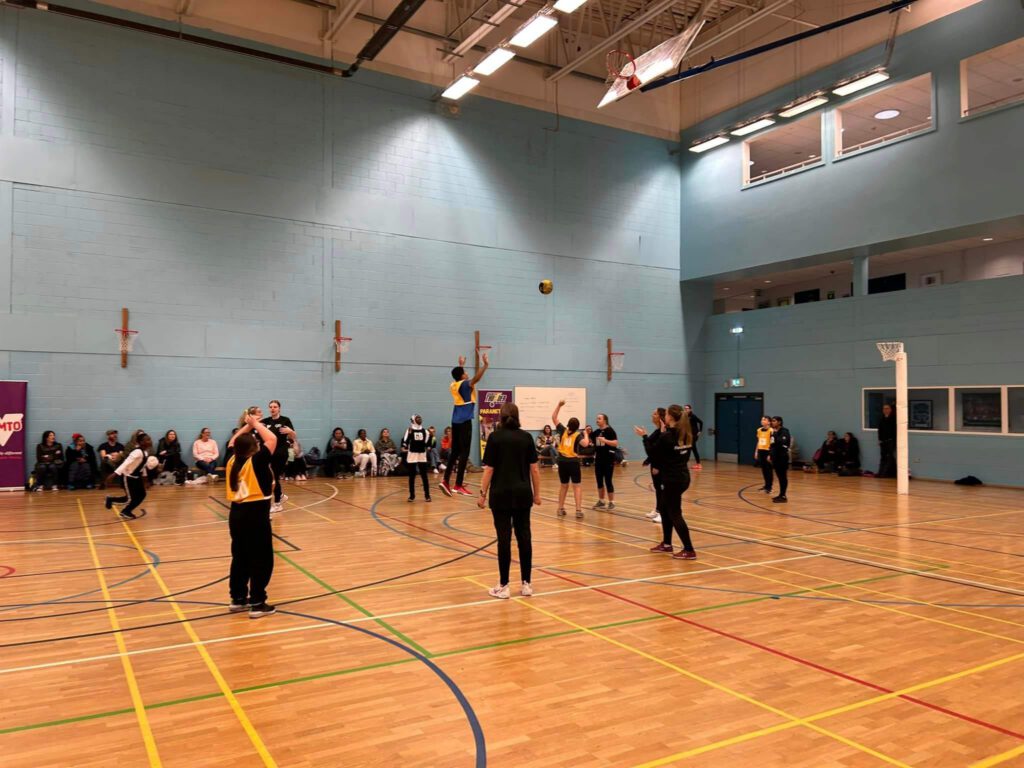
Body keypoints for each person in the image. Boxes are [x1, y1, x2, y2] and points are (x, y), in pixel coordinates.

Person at [478, 402, 541, 599]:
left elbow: (489, 469)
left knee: (504, 539)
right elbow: (535, 469)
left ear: (501, 417)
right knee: (525, 537)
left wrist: (482, 494)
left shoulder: (495, 438)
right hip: (523, 494)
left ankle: (504, 586)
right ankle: (526, 584)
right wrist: (537, 494)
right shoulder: (527, 437)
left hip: (501, 494)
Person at [225, 412, 278, 619]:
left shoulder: (231, 459)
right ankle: (257, 602)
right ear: (253, 449)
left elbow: (233, 441)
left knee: (240, 557)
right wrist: (255, 423)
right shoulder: (255, 461)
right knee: (261, 559)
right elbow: (272, 439)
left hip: (236, 515)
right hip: (255, 514)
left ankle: (238, 599)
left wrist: (247, 426)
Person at [635, 404, 696, 560]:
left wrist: (644, 436)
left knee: (675, 513)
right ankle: (667, 544)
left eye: (667, 414)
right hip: (682, 476)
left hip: (672, 479)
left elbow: (652, 452)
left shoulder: (667, 436)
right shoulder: (687, 434)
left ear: (670, 417)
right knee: (665, 508)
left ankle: (689, 549)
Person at [439, 352, 489, 498]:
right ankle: (458, 485)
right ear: (462, 376)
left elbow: (459, 378)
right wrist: (485, 365)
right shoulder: (465, 384)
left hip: (455, 421)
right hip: (465, 421)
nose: (467, 374)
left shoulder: (453, 385)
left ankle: (446, 480)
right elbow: (476, 379)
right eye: (465, 372)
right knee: (464, 452)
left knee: (455, 452)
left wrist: (460, 365)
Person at [551, 400, 590, 519]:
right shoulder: (577, 435)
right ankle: (578, 510)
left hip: (562, 461)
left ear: (568, 424)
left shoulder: (563, 430)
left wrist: (559, 405)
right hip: (573, 462)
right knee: (576, 486)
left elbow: (554, 417)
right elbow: (585, 444)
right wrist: (586, 434)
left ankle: (560, 508)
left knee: (563, 485)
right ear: (577, 427)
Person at [105, 432, 153, 519]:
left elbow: (142, 466)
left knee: (142, 495)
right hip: (128, 477)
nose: (150, 441)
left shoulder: (145, 453)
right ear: (141, 442)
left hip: (137, 478)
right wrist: (114, 474)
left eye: (150, 439)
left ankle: (124, 510)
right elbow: (126, 463)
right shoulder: (137, 452)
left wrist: (145, 480)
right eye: (148, 439)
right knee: (129, 499)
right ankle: (120, 507)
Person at [262, 400, 296, 514]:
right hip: (269, 452)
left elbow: (293, 436)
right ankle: (280, 495)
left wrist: (290, 431)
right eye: (271, 407)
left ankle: (277, 504)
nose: (272, 409)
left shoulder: (285, 420)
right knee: (269, 477)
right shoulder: (266, 421)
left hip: (280, 452)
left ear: (279, 408)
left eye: (275, 407)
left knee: (274, 477)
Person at [591, 413, 619, 510]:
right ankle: (601, 501)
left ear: (605, 420)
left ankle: (611, 502)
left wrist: (605, 440)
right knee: (599, 480)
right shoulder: (597, 431)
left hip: (608, 460)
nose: (597, 420)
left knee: (608, 480)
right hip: (598, 459)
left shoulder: (610, 430)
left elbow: (615, 443)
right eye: (597, 418)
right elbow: (590, 438)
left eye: (599, 418)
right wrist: (586, 432)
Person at [402, 415, 432, 502]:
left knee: (424, 476)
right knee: (412, 476)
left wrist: (427, 446)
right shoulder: (410, 430)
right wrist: (405, 446)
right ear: (413, 420)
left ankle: (427, 495)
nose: (419, 420)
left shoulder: (425, 431)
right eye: (417, 418)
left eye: (420, 418)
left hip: (422, 454)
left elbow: (427, 442)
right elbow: (405, 440)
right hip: (412, 454)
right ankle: (412, 495)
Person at [768, 416, 791, 503]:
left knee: (783, 476)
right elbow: (772, 445)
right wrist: (770, 455)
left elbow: (782, 442)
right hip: (775, 457)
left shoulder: (784, 431)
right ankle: (780, 494)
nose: (772, 423)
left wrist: (775, 435)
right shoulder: (773, 432)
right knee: (779, 476)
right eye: (772, 421)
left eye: (774, 421)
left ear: (779, 422)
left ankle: (784, 496)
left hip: (782, 457)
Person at [754, 416, 773, 493]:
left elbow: (772, 443)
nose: (762, 421)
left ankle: (769, 487)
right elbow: (758, 441)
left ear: (769, 422)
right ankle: (766, 485)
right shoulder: (759, 430)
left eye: (764, 420)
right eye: (762, 419)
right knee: (764, 469)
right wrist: (756, 451)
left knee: (769, 469)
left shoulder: (771, 431)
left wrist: (770, 454)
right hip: (761, 451)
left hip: (768, 451)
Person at [877, 403, 897, 478]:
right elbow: (879, 430)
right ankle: (880, 472)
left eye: (887, 408)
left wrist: (894, 440)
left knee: (889, 456)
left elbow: (894, 431)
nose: (885, 410)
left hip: (891, 440)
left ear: (890, 410)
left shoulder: (894, 418)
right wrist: (879, 439)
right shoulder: (881, 418)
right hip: (883, 441)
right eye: (884, 409)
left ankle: (885, 473)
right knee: (883, 457)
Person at [683, 405, 704, 470]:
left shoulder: (693, 416)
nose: (685, 410)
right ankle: (698, 464)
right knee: (693, 449)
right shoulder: (685, 416)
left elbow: (701, 422)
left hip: (694, 435)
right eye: (685, 408)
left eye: (687, 408)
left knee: (689, 448)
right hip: (689, 435)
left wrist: (700, 431)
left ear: (690, 409)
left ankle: (685, 463)